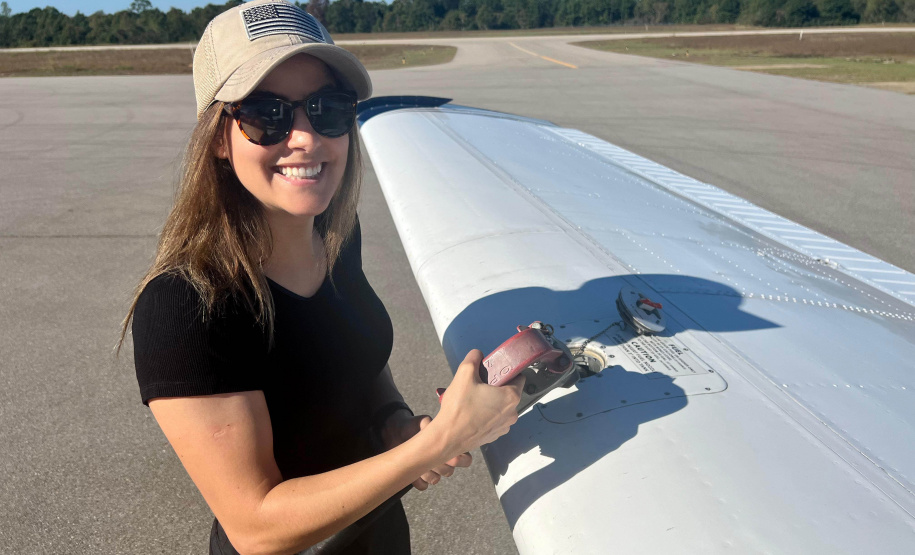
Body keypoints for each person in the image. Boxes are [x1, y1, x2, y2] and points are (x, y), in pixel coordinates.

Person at [118, 1, 525, 554]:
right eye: (267, 114)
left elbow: (353, 355)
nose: (306, 137)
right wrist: (439, 444)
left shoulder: (333, 233)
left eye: (328, 108)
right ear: (219, 138)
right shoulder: (185, 306)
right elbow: (256, 525)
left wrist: (394, 421)